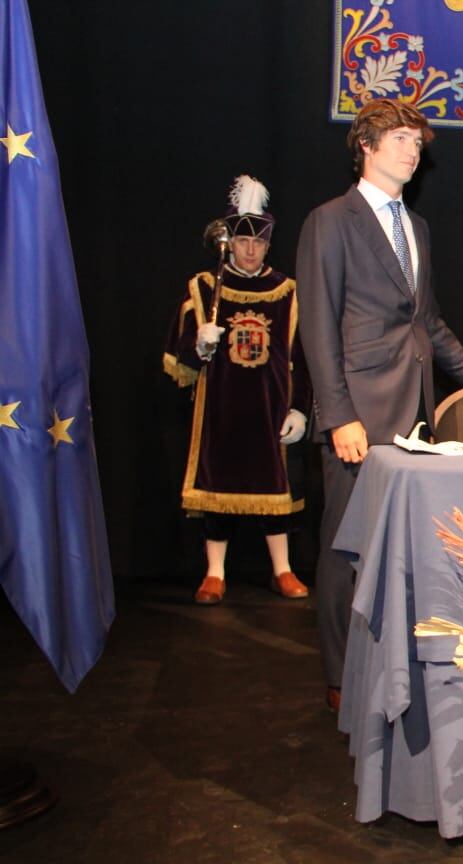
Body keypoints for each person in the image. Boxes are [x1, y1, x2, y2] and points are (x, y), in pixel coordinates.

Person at [296, 98, 463, 710]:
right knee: (345, 548)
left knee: (399, 548)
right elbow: (317, 326)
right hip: (359, 415)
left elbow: (428, 325)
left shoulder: (416, 228)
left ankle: (387, 665)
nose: (412, 151)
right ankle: (340, 677)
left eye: (418, 142)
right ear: (365, 144)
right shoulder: (330, 221)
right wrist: (338, 415)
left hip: (415, 413)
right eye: (399, 138)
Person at [162, 175, 311, 605]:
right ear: (230, 243)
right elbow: (179, 361)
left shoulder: (287, 292)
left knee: (275, 493)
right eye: (243, 243)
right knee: (217, 489)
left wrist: (300, 409)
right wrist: (199, 344)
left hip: (270, 409)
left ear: (268, 245)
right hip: (221, 408)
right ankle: (214, 572)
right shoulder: (206, 288)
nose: (251, 251)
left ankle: (282, 569)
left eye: (259, 244)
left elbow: (303, 359)